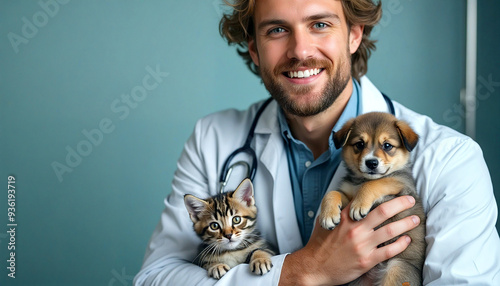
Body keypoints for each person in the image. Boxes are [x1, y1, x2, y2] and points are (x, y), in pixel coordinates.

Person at [134, 0, 500, 285]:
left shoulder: (452, 159)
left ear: (354, 34)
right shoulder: (213, 138)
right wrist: (299, 272)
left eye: (320, 24)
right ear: (255, 50)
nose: (300, 50)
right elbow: (155, 277)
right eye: (277, 29)